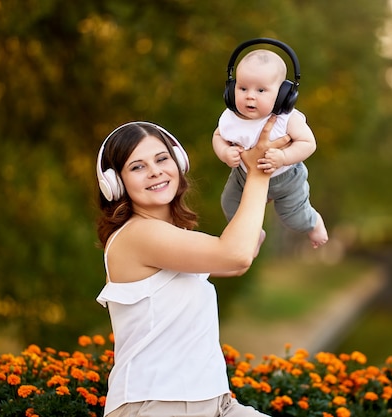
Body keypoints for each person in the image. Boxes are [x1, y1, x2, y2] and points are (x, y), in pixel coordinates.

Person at [95, 117, 288, 417]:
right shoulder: (137, 235)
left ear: (178, 162)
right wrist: (258, 171)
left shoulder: (172, 238)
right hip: (156, 405)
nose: (155, 171)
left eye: (161, 159)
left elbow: (237, 260)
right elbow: (235, 254)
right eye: (137, 166)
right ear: (115, 183)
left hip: (215, 403)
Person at [213, 48, 328, 249]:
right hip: (243, 176)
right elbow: (217, 136)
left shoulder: (287, 120)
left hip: (286, 179)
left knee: (294, 219)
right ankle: (255, 234)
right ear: (231, 89)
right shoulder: (231, 118)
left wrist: (284, 156)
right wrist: (224, 152)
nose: (250, 96)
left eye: (260, 90)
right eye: (242, 88)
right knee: (229, 204)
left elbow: (308, 143)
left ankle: (314, 221)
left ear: (283, 94)